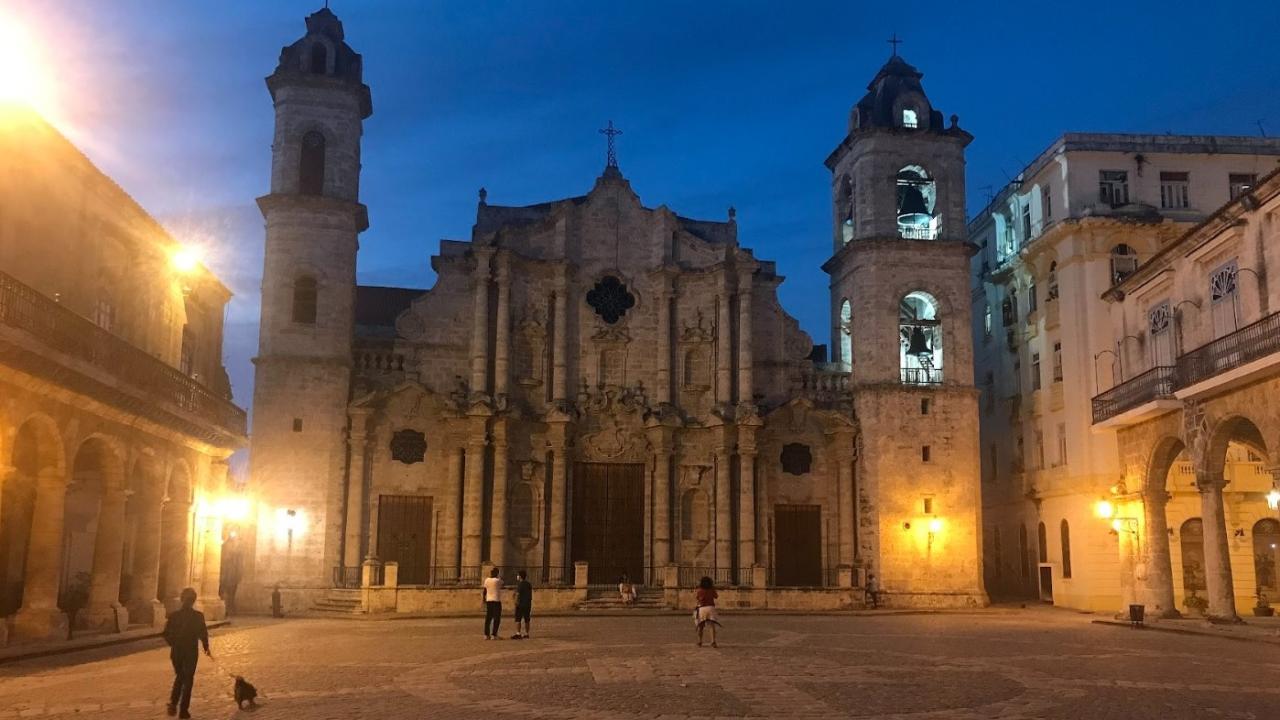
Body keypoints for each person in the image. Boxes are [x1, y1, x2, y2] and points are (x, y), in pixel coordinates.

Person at [163, 587, 210, 719]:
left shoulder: (174, 616)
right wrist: (206, 647)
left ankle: (173, 702)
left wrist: (174, 642)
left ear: (182, 599)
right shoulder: (198, 616)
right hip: (191, 651)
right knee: (188, 679)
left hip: (177, 651)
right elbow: (203, 633)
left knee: (180, 676)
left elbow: (166, 634)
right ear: (194, 601)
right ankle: (183, 710)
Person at [695, 576, 720, 648]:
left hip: (702, 608)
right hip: (711, 607)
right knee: (711, 626)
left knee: (701, 626)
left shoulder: (700, 590)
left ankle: (700, 641)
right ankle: (713, 641)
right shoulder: (711, 589)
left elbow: (698, 598)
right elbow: (716, 596)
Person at [482, 567, 504, 640]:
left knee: (488, 618)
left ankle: (486, 634)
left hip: (489, 600)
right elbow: (503, 584)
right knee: (497, 618)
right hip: (496, 600)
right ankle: (494, 634)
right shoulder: (497, 581)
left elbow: (484, 591)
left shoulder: (487, 580)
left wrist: (484, 599)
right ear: (497, 573)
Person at [511, 569, 533, 639]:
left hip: (520, 604)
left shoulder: (520, 584)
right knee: (527, 619)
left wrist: (516, 602)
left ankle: (518, 633)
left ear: (520, 576)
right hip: (527, 604)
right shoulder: (528, 584)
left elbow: (517, 594)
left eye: (518, 575)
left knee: (518, 619)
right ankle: (527, 633)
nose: (517, 576)